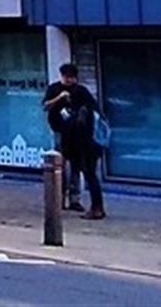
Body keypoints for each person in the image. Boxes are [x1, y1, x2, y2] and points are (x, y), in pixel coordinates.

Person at [42, 63, 105, 219]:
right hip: (61, 132)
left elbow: (95, 110)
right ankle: (58, 199)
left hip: (80, 138)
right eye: (65, 77)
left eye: (71, 77)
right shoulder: (54, 89)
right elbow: (45, 106)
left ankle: (76, 199)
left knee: (79, 169)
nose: (68, 80)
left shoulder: (81, 92)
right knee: (58, 166)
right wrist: (59, 98)